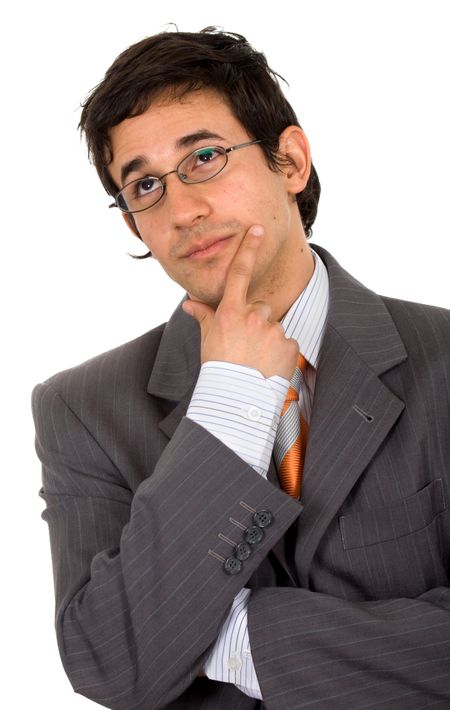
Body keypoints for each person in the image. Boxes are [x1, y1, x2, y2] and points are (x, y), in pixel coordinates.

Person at [31, 27, 450, 710]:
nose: (183, 210)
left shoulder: (443, 357)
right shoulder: (81, 407)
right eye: (144, 185)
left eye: (204, 156)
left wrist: (232, 637)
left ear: (291, 161)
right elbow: (111, 661)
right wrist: (231, 404)